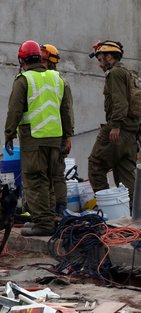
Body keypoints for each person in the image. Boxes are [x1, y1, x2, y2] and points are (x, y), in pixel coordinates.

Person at [4, 40, 73, 236]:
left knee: (35, 180)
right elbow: (65, 110)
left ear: (22, 59)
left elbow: (14, 110)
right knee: (49, 180)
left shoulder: (24, 79)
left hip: (33, 138)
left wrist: (9, 135)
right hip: (54, 138)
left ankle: (44, 224)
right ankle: (49, 219)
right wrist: (67, 135)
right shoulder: (56, 78)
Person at [87, 40, 141, 204]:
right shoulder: (128, 73)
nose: (99, 64)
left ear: (109, 57)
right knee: (124, 173)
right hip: (131, 131)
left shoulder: (115, 73)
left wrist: (115, 126)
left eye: (100, 58)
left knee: (95, 165)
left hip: (118, 128)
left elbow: (121, 103)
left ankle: (107, 208)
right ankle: (132, 212)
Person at [40, 43, 74, 215]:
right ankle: (44, 209)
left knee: (57, 173)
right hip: (39, 135)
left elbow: (67, 111)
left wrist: (68, 136)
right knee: (41, 175)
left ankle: (59, 208)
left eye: (43, 61)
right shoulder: (34, 80)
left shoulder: (60, 82)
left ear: (51, 62)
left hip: (57, 134)